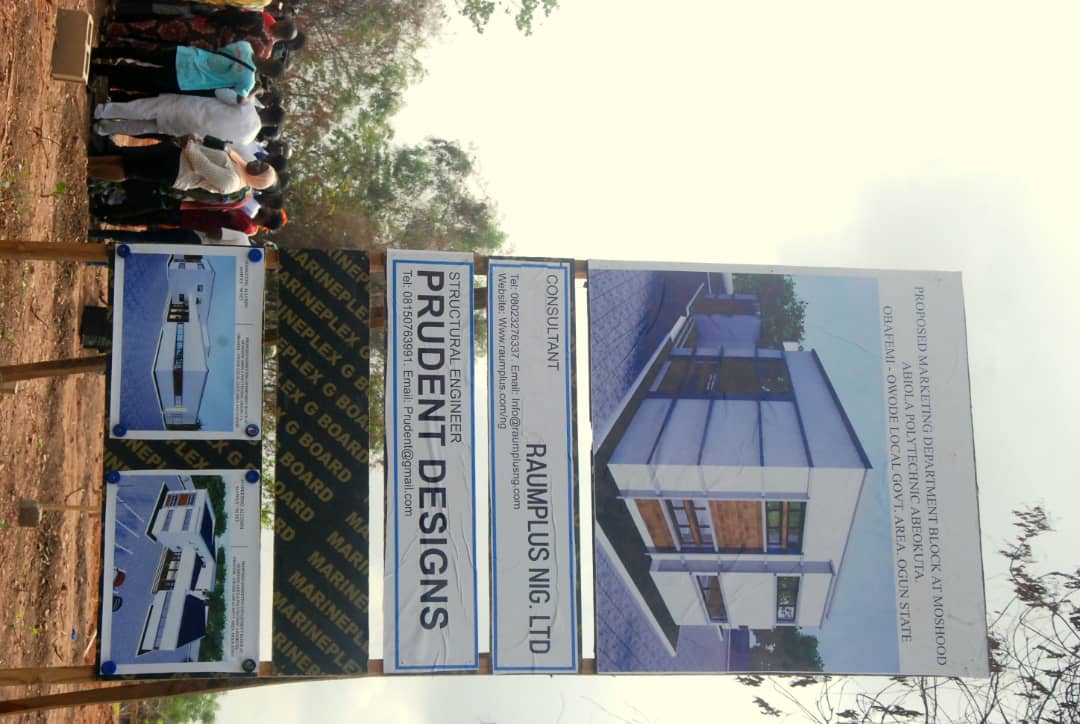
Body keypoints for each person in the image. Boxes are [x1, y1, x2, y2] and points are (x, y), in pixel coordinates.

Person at [91, 41, 282, 103]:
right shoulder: (248, 81)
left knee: (144, 55)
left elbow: (222, 50)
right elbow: (240, 101)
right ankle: (99, 70)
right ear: (268, 74)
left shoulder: (245, 46)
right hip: (187, 79)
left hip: (187, 55)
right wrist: (256, 92)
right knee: (141, 78)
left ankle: (101, 52)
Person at [87, 137, 277, 194]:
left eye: (260, 169)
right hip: (179, 154)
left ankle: (87, 170)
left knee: (129, 169)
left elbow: (202, 166)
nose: (256, 163)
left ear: (257, 180)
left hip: (177, 170)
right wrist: (193, 140)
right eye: (261, 163)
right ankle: (87, 162)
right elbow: (213, 150)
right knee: (127, 157)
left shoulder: (232, 182)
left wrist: (189, 145)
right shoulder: (239, 163)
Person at [93, 95, 285, 145]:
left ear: (268, 108)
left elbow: (222, 93)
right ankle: (104, 128)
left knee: (144, 108)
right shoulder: (248, 139)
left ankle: (102, 111)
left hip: (190, 109)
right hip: (190, 131)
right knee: (145, 127)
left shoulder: (248, 106)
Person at [104, 13, 297, 60]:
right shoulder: (264, 54)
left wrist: (210, 19)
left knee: (156, 28)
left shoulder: (259, 20)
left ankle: (114, 29)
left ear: (280, 24)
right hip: (204, 52)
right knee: (157, 49)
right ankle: (114, 46)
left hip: (203, 30)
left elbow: (229, 17)